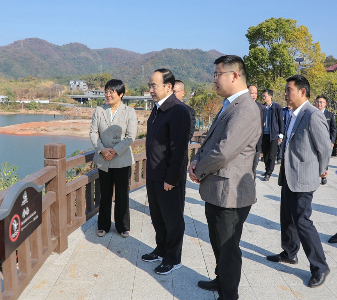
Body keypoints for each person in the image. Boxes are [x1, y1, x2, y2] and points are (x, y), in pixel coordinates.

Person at [189, 55, 261, 300]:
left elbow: (224, 151)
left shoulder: (245, 109)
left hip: (230, 195)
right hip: (218, 190)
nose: (214, 80)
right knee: (219, 243)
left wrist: (198, 170)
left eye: (217, 74)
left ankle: (229, 294)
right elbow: (211, 142)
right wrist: (197, 159)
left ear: (234, 75)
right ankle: (221, 281)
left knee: (228, 249)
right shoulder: (231, 105)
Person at [266, 75, 331, 288]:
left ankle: (320, 267)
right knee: (287, 217)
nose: (285, 94)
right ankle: (290, 252)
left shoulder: (312, 115)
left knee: (303, 221)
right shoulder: (293, 114)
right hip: (288, 175)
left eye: (288, 90)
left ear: (302, 92)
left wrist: (319, 172)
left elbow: (324, 148)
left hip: (304, 177)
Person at [142, 69, 191, 275]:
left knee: (172, 219)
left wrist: (172, 178)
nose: (151, 90)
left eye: (154, 85)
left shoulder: (178, 110)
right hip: (154, 173)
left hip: (169, 177)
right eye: (150, 85)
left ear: (168, 87)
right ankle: (161, 250)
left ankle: (173, 258)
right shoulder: (157, 109)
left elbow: (178, 149)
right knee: (157, 217)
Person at [90, 79, 138, 238]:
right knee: (104, 194)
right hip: (104, 159)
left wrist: (114, 151)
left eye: (112, 92)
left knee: (122, 195)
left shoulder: (129, 112)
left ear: (121, 94)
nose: (108, 94)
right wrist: (102, 150)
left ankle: (123, 226)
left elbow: (131, 137)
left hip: (122, 159)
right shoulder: (99, 110)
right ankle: (103, 225)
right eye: (106, 91)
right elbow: (93, 133)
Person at [261, 89, 284, 181]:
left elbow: (280, 122)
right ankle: (267, 170)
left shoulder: (277, 107)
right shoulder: (262, 107)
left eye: (265, 96)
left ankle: (269, 173)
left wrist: (281, 134)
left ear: (270, 96)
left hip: (273, 134)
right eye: (262, 96)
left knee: (272, 155)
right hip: (263, 134)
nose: (263, 98)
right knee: (265, 154)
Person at [314, 95, 336, 185]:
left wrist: (332, 141)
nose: (320, 104)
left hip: (326, 141)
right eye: (318, 102)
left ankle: (324, 176)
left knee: (325, 159)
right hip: (315, 140)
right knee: (315, 159)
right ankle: (315, 175)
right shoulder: (312, 113)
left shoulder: (329, 115)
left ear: (325, 104)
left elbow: (333, 129)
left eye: (322, 102)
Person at [248, 84, 266, 179]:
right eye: (252, 93)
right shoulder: (241, 106)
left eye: (256, 93)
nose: (254, 95)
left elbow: (262, 124)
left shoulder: (262, 108)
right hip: (245, 144)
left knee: (253, 168)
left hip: (256, 143)